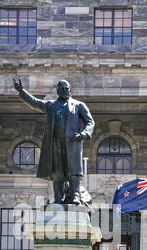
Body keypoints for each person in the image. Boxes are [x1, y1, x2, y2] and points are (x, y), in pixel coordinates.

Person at [13, 77, 95, 205]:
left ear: (70, 90)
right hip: (55, 142)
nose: (64, 90)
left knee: (73, 170)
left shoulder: (79, 105)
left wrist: (84, 134)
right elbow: (35, 102)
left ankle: (75, 196)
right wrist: (22, 91)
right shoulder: (51, 105)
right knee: (58, 172)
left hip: (72, 142)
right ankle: (57, 199)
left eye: (66, 88)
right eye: (62, 89)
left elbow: (90, 122)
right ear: (57, 91)